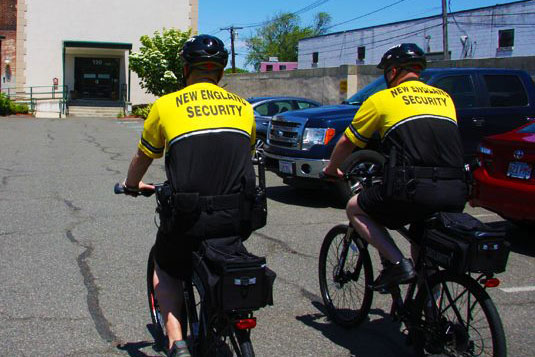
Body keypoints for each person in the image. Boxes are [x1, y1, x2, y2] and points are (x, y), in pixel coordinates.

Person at [122, 34, 256, 357]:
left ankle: (176, 341)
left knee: (165, 267)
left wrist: (130, 185)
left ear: (185, 70)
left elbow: (144, 157)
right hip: (236, 216)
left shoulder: (165, 106)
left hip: (188, 216)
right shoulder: (245, 109)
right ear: (220, 73)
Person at [323, 43, 467, 289]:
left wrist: (332, 168)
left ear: (392, 72)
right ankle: (426, 312)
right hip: (456, 189)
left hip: (413, 189)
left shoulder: (382, 99)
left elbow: (348, 141)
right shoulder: (445, 98)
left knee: (355, 208)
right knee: (422, 242)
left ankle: (398, 264)